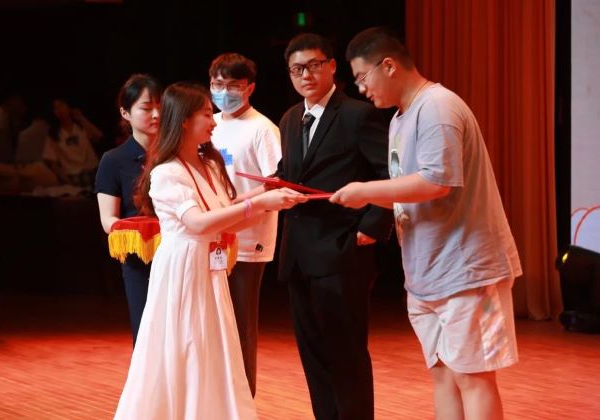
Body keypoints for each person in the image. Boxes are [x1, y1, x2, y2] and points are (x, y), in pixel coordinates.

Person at [332, 27, 522, 420]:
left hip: (467, 270)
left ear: (388, 66)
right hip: (425, 273)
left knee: (473, 377)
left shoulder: (437, 106)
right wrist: (364, 195)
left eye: (363, 78)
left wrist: (367, 191)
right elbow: (407, 190)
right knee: (443, 376)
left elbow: (437, 181)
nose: (362, 89)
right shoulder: (399, 119)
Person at [113, 82, 306, 419]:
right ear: (184, 120)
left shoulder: (210, 166)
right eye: (206, 114)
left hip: (208, 267)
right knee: (186, 345)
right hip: (182, 268)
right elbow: (198, 223)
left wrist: (270, 203)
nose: (214, 120)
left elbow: (227, 221)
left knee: (212, 347)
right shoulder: (166, 172)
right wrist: (258, 202)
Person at [273, 33, 393, 420]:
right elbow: (291, 173)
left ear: (331, 66)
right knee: (313, 355)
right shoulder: (290, 119)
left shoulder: (358, 114)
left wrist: (371, 227)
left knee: (346, 354)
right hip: (298, 255)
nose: (306, 75)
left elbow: (389, 174)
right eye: (297, 69)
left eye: (313, 65)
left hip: (342, 251)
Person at [208, 52, 282, 397]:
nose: (224, 92)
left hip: (248, 241)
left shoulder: (263, 129)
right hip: (210, 236)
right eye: (217, 84)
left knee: (240, 326)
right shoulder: (208, 124)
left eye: (233, 86)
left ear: (250, 87)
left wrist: (238, 205)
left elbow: (275, 183)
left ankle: (242, 403)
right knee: (212, 326)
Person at [94, 74, 163, 345]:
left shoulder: (178, 154)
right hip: (140, 258)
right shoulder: (114, 160)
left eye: (160, 107)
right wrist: (139, 229)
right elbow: (108, 219)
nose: (156, 114)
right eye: (146, 108)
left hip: (179, 253)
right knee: (147, 334)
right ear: (125, 113)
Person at [42, 98, 103, 188]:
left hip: (94, 170)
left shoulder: (80, 126)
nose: (59, 109)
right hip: (73, 175)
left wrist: (81, 118)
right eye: (55, 108)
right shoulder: (54, 135)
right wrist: (68, 182)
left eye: (61, 105)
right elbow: (52, 163)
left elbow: (98, 136)